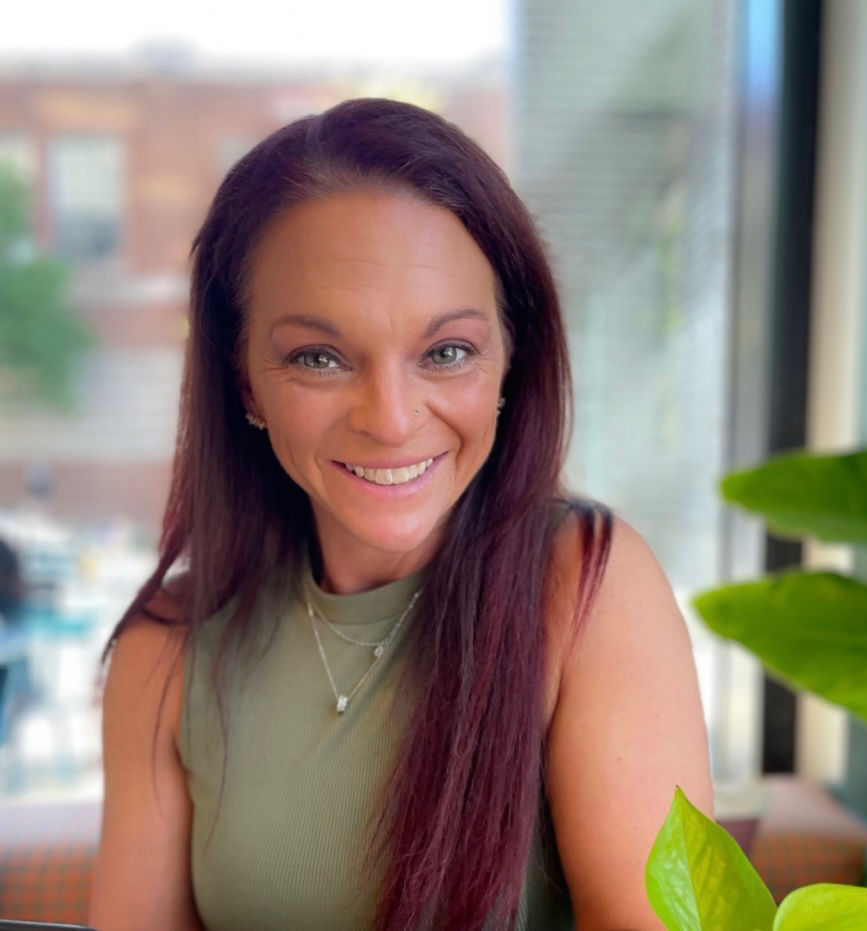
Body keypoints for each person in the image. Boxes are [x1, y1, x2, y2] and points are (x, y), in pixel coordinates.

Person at [89, 98, 712, 931]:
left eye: (445, 352)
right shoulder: (165, 651)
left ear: (507, 359)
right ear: (246, 382)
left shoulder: (586, 585)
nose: (389, 416)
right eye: (319, 356)